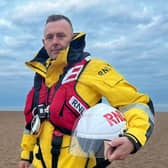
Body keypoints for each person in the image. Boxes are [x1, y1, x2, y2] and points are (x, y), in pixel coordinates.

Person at [19, 14, 155, 168]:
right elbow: (33, 121)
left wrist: (133, 138)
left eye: (61, 36)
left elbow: (135, 103)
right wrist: (26, 155)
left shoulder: (94, 68)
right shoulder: (41, 78)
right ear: (44, 42)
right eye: (50, 37)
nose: (55, 41)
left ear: (72, 37)